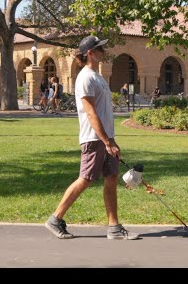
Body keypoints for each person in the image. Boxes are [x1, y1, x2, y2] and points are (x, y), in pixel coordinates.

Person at [45, 35, 139, 240]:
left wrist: (111, 140)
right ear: (90, 53)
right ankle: (55, 218)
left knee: (112, 178)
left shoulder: (97, 76)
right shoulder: (85, 77)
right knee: (86, 178)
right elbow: (90, 113)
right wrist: (106, 141)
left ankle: (114, 227)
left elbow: (104, 112)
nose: (103, 52)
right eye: (99, 49)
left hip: (106, 138)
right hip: (94, 138)